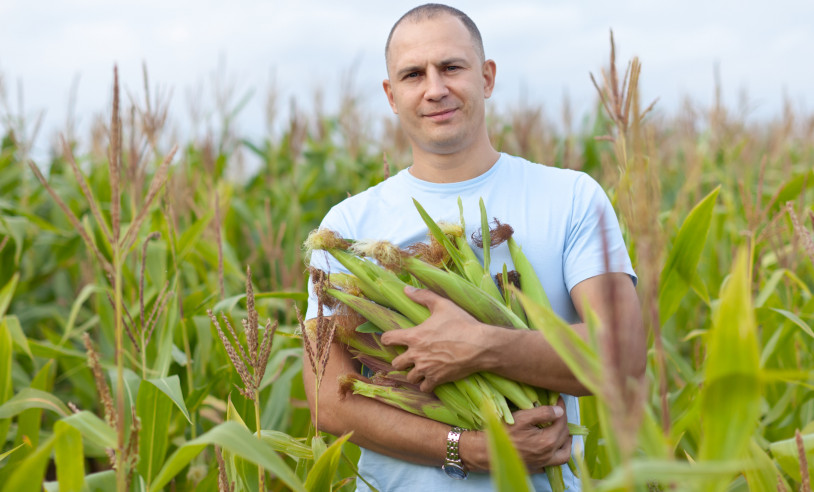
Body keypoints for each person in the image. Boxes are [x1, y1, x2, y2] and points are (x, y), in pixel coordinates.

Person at [303, 4, 646, 491]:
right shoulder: (348, 228)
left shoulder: (572, 197)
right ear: (391, 94)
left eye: (452, 67)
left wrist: (481, 346)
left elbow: (624, 357)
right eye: (413, 74)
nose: (435, 88)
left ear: (486, 77)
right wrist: (469, 449)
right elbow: (326, 400)